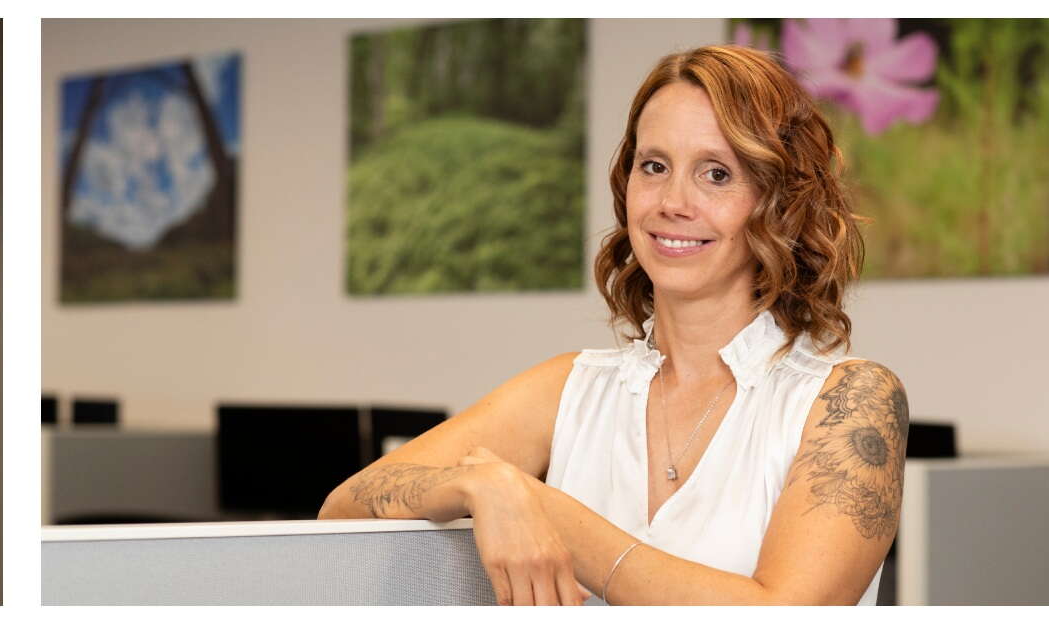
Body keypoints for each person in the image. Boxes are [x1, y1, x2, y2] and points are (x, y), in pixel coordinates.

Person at [318, 45, 904, 605]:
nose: (673, 201)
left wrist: (547, 512)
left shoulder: (850, 399)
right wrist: (480, 487)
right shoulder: (572, 386)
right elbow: (342, 507)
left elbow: (785, 617)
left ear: (783, 200)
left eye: (717, 174)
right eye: (654, 166)